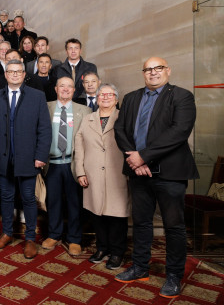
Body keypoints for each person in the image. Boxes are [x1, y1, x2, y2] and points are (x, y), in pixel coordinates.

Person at [114, 57, 198, 299]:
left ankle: (173, 275)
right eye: (148, 69)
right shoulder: (131, 98)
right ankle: (140, 267)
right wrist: (134, 159)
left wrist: (144, 157)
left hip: (170, 173)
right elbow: (120, 130)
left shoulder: (182, 96)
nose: (153, 73)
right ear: (143, 73)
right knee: (141, 222)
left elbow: (179, 132)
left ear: (167, 71)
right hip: (138, 172)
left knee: (174, 227)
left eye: (158, 68)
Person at [0, 59, 52, 259]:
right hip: (3, 157)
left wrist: (41, 156)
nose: (15, 75)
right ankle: (6, 233)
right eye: (11, 72)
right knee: (6, 197)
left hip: (28, 158)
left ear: (24, 75)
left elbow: (44, 129)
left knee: (28, 199)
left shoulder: (37, 96)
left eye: (18, 72)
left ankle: (30, 239)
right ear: (6, 75)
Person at [75, 83, 128, 270]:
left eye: (110, 95)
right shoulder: (88, 119)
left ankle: (117, 252)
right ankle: (102, 248)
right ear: (96, 98)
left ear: (116, 98)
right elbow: (79, 146)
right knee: (97, 213)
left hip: (117, 174)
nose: (105, 98)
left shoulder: (124, 117)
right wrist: (80, 171)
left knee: (117, 216)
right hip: (92, 174)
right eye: (101, 95)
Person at [41, 76, 91, 256]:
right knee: (53, 201)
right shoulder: (46, 107)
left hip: (73, 164)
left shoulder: (84, 111)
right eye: (62, 85)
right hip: (52, 163)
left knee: (74, 202)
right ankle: (54, 234)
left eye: (69, 86)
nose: (65, 89)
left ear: (74, 90)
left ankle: (75, 238)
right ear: (55, 88)